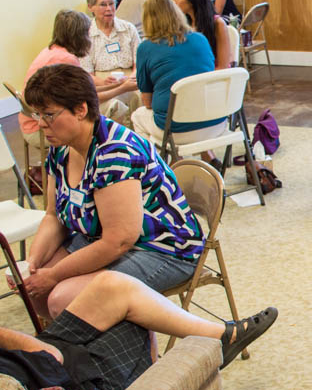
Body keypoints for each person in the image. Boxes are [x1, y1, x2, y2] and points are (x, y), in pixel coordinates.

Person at [22, 64, 204, 320]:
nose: (41, 124)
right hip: (101, 238)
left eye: (48, 115)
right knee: (34, 290)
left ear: (81, 110)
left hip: (161, 249)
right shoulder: (61, 147)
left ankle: (120, 355)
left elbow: (119, 241)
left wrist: (53, 274)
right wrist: (33, 263)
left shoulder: (115, 153)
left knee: (63, 299)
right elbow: (53, 216)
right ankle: (77, 353)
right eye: (37, 114)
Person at [1, 271, 276, 390]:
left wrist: (42, 266)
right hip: (68, 384)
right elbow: (50, 357)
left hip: (45, 363)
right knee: (135, 310)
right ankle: (218, 341)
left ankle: (220, 337)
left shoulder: (94, 158)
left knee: (113, 286)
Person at [18, 11, 136, 147]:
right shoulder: (64, 59)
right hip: (41, 128)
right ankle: (114, 151)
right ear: (80, 35)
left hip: (34, 121)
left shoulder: (53, 51)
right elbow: (89, 99)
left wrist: (116, 86)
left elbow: (85, 91)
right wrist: (122, 88)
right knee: (116, 107)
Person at [131, 0, 227, 148]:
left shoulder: (146, 47)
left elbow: (148, 102)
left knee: (138, 116)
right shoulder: (200, 39)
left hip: (176, 129)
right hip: (215, 122)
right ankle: (205, 157)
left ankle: (167, 165)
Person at [174, 0, 233, 70]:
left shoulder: (217, 23)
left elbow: (223, 65)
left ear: (191, 0)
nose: (175, 2)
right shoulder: (183, 23)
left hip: (214, 75)